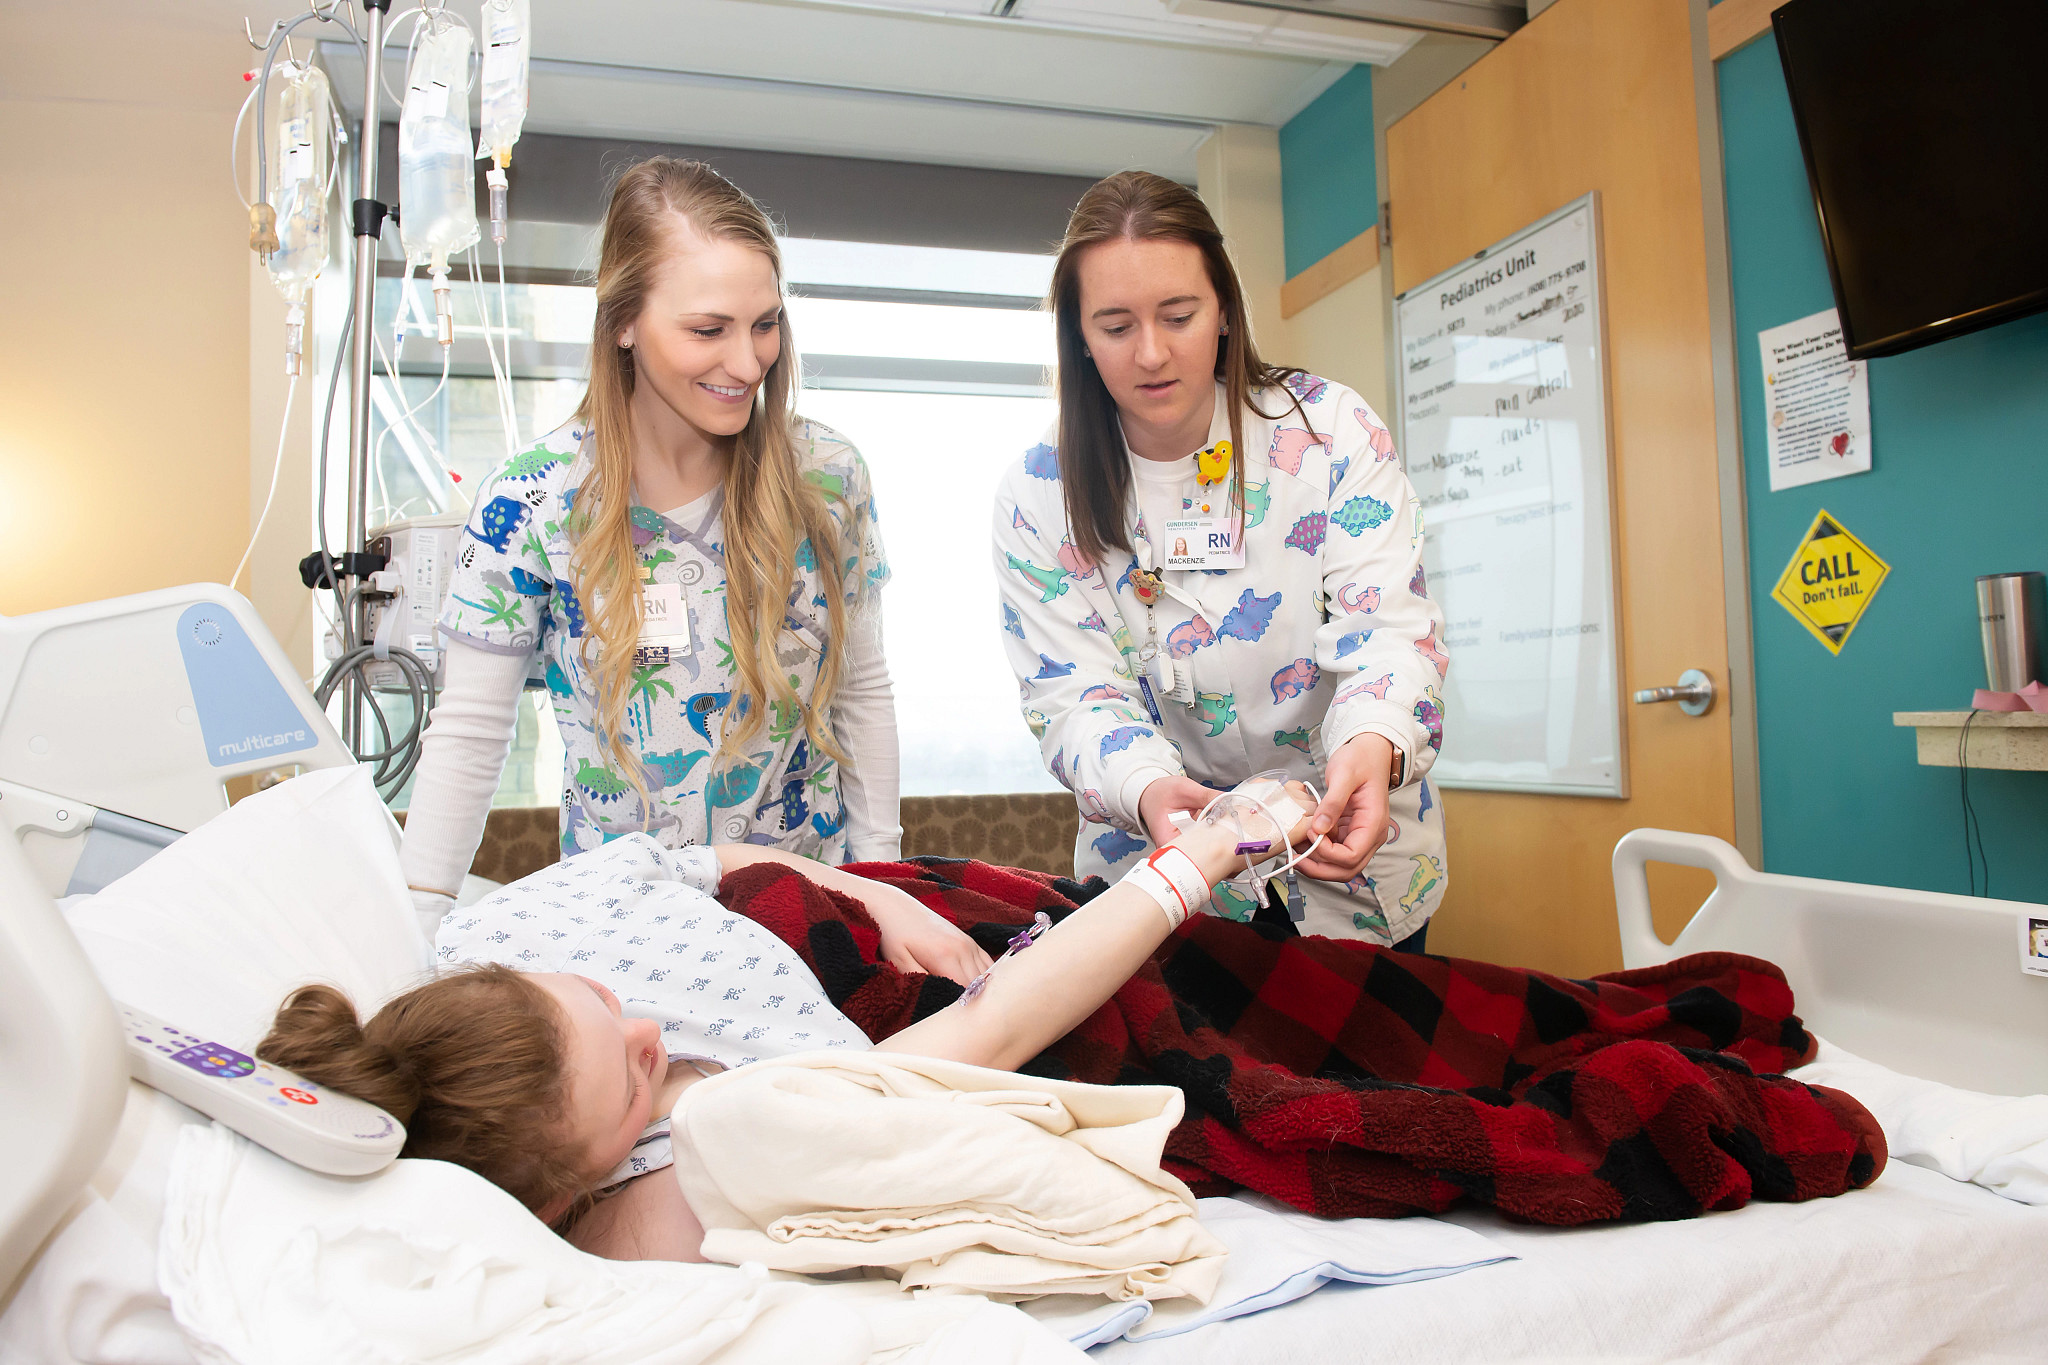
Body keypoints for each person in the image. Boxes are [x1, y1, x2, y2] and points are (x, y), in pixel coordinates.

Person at [258, 781, 1315, 1261]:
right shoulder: (708, 1161)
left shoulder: (524, 918)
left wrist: (881, 897)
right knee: (1293, 1040)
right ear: (568, 1189)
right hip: (1010, 989)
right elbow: (988, 1033)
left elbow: (711, 862)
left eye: (593, 1001)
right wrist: (1195, 861)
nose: (650, 1033)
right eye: (633, 1082)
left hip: (886, 902)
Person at [399, 157, 909, 926]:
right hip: (625, 931)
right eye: (709, 330)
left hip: (811, 920)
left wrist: (886, 889)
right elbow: (471, 730)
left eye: (765, 324)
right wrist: (417, 925)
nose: (747, 363)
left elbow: (862, 694)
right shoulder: (531, 500)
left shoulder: (827, 478)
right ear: (623, 321)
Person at [992, 171, 1449, 948]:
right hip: (1164, 887)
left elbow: (1388, 632)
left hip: (1358, 874)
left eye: (1179, 315)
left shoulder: (1329, 432)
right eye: (1114, 325)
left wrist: (1373, 743)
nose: (1152, 352)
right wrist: (1147, 791)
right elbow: (1075, 695)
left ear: (1227, 310)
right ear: (1077, 336)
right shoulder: (1040, 495)